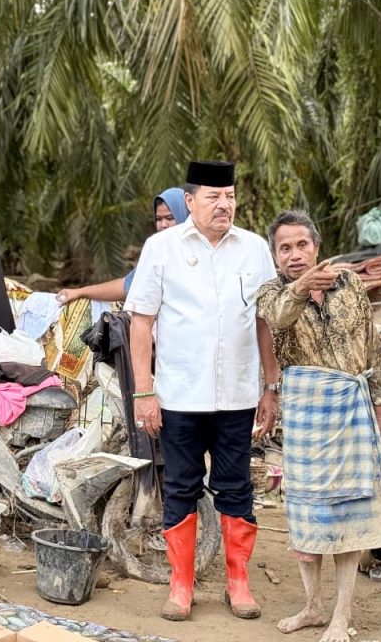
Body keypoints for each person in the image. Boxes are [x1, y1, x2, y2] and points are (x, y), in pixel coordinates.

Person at [125, 160, 280, 622]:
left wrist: (270, 387)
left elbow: (264, 322)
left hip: (237, 396)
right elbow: (141, 323)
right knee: (180, 487)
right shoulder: (161, 247)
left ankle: (238, 582)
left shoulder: (253, 249)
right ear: (189, 201)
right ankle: (181, 584)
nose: (224, 205)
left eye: (230, 196)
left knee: (236, 488)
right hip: (178, 397)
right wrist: (143, 392)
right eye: (213, 197)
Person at [256, 210, 381, 642]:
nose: (295, 255)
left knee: (348, 511)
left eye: (302, 245)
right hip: (306, 411)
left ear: (317, 246)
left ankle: (341, 613)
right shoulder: (270, 292)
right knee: (305, 513)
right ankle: (313, 605)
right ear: (275, 256)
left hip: (352, 406)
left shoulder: (350, 283)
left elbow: (373, 346)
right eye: (285, 248)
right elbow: (277, 318)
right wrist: (299, 288)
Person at [56, 187, 189, 306]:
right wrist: (80, 292)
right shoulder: (157, 252)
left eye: (170, 218)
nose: (163, 225)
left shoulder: (202, 249)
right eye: (159, 219)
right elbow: (128, 286)